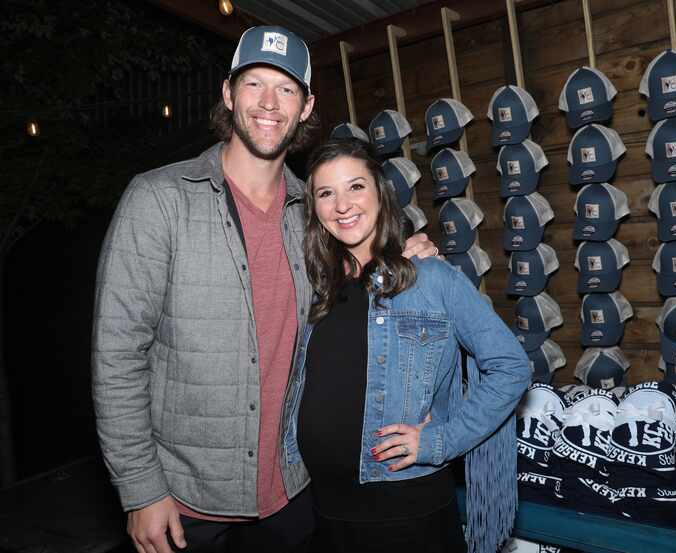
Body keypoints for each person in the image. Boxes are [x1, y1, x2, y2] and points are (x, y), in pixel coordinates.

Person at [91, 26, 434, 553]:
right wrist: (140, 489)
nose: (269, 103)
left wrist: (409, 261)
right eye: (254, 84)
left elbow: (364, 304)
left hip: (292, 494)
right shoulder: (158, 200)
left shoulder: (316, 216)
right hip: (184, 501)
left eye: (286, 88)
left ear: (306, 106)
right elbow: (116, 356)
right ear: (229, 94)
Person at [284, 138, 531, 553]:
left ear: (380, 192)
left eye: (355, 187)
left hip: (406, 516)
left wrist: (440, 440)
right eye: (326, 193)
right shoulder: (315, 286)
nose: (342, 205)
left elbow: (511, 366)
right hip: (322, 512)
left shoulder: (433, 279)